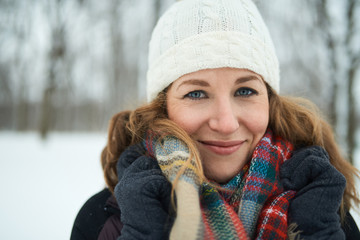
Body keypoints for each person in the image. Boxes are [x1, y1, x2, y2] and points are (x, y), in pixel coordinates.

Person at [71, 0, 360, 239]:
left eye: (245, 90)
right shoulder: (107, 221)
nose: (226, 123)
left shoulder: (325, 210)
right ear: (162, 108)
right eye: (197, 93)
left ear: (270, 102)